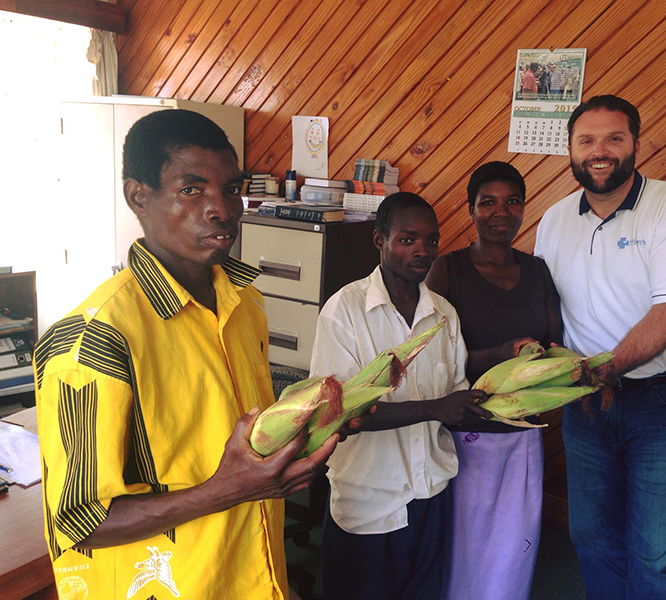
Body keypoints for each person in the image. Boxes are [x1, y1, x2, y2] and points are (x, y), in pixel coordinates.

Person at [34, 109, 341, 600]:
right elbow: (77, 523)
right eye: (192, 190)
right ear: (139, 196)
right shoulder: (95, 338)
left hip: (254, 576)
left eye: (232, 188)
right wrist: (227, 489)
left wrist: (312, 424)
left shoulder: (245, 302)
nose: (222, 209)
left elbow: (242, 440)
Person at [534, 95, 666, 599]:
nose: (600, 151)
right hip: (585, 403)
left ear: (636, 143)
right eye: (586, 140)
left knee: (656, 553)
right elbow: (547, 307)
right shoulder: (553, 220)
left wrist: (602, 371)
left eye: (614, 138)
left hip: (665, 404)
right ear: (569, 148)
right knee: (592, 537)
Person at [309, 192, 492, 600]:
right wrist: (436, 408)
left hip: (431, 494)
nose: (422, 251)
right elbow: (341, 416)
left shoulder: (444, 313)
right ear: (380, 241)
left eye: (431, 241)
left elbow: (454, 395)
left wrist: (488, 402)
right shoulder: (345, 312)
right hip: (370, 503)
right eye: (407, 240)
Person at [425, 161, 562, 600]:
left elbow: (556, 346)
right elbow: (432, 357)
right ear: (471, 210)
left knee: (510, 549)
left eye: (512, 201)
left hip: (521, 436)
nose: (501, 212)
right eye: (488, 202)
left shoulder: (538, 272)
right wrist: (500, 356)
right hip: (464, 435)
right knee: (462, 547)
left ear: (524, 208)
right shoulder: (447, 270)